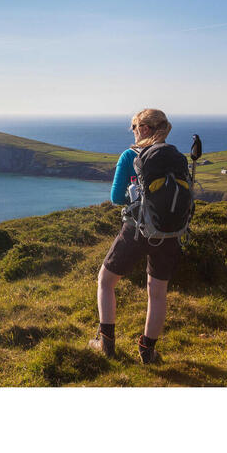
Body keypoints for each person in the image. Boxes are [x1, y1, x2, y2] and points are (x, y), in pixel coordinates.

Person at [89, 108, 182, 364]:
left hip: (138, 229)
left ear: (145, 129)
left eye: (134, 127)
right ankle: (147, 351)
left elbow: (116, 197)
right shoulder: (175, 156)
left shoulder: (130, 155)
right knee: (157, 292)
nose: (133, 132)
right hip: (170, 231)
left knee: (105, 281)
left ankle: (106, 343)